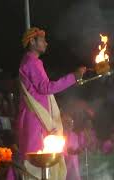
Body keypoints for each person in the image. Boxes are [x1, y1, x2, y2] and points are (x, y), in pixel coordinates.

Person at [17, 27, 86, 180]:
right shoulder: (32, 62)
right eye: (42, 40)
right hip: (36, 118)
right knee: (37, 163)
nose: (46, 43)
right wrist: (73, 77)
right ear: (32, 41)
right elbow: (45, 88)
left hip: (35, 117)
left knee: (38, 161)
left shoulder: (29, 61)